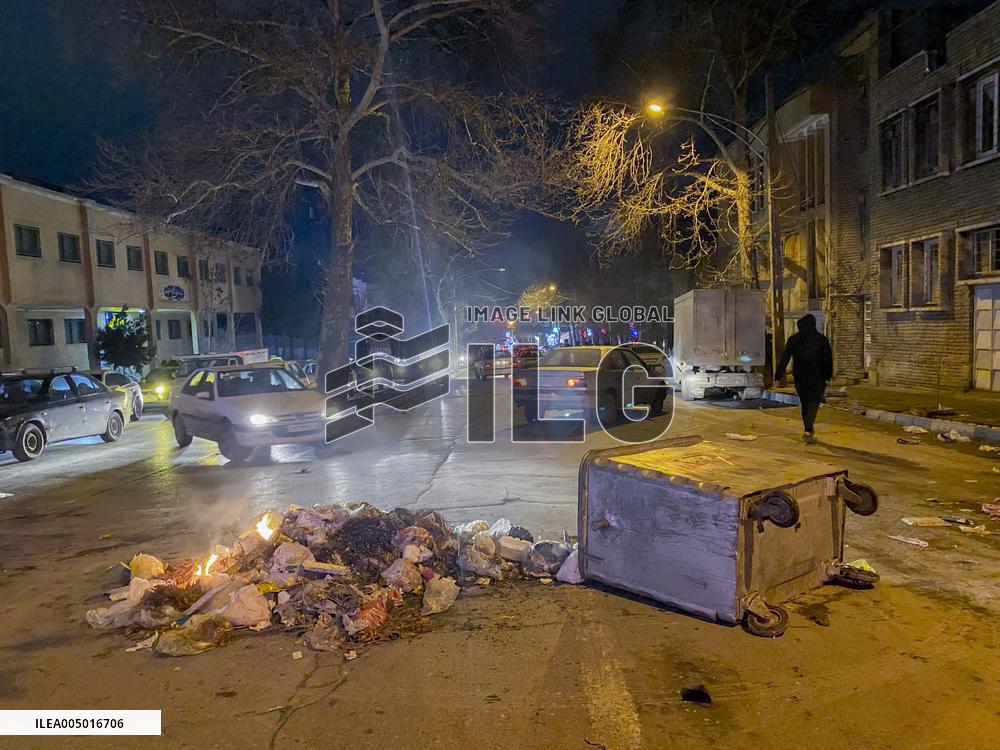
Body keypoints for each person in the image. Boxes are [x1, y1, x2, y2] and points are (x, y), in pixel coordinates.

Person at [775, 314, 832, 444]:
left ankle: (808, 429)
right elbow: (828, 359)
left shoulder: (794, 339)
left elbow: (785, 358)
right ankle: (808, 428)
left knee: (805, 402)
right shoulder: (821, 340)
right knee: (814, 403)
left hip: (800, 377)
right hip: (818, 377)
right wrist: (828, 376)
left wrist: (778, 375)